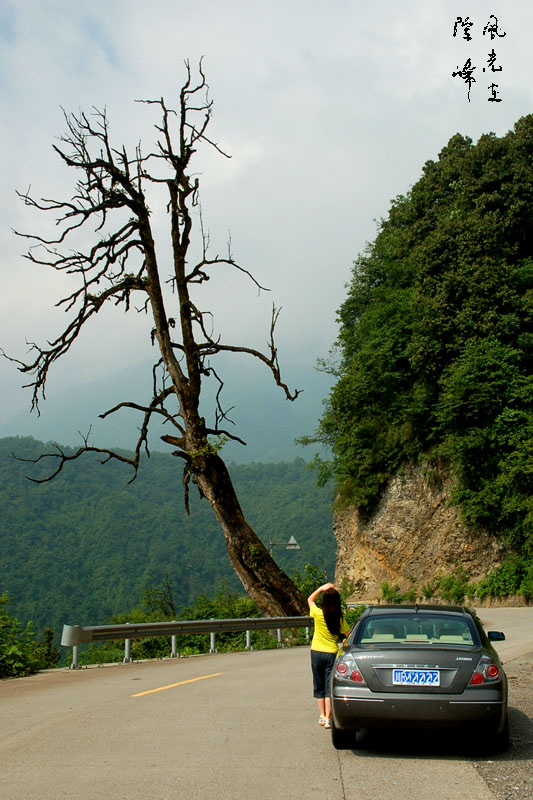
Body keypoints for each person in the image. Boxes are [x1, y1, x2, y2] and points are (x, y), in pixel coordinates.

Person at [308, 581, 350, 729]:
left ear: (324, 602)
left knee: (318, 685)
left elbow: (310, 600)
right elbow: (348, 635)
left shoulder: (318, 614)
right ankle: (328, 718)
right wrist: (345, 640)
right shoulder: (339, 618)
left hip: (316, 652)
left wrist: (320, 588)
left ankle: (321, 715)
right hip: (332, 652)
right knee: (328, 687)